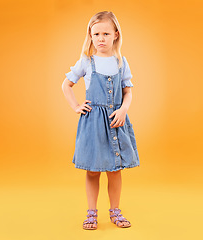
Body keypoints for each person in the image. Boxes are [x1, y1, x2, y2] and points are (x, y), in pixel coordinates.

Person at [62, 11, 140, 230]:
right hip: (94, 124)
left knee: (115, 170)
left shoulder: (121, 62)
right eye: (96, 33)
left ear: (115, 35)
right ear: (90, 35)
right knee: (93, 170)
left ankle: (115, 210)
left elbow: (128, 91)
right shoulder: (87, 62)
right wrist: (76, 106)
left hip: (116, 121)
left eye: (106, 33)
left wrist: (124, 109)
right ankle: (91, 212)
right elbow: (66, 85)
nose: (101, 38)